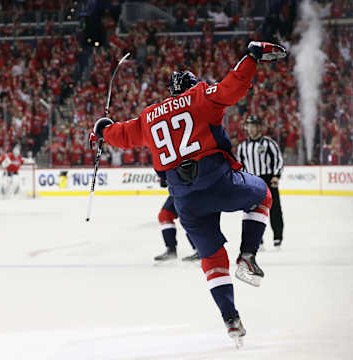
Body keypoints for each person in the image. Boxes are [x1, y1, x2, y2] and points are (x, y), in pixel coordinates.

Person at [90, 41, 287, 344]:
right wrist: (251, 57)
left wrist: (102, 129)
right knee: (262, 195)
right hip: (218, 181)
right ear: (193, 85)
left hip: (186, 201)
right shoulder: (199, 96)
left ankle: (231, 320)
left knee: (212, 259)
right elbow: (231, 88)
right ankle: (248, 256)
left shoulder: (150, 115)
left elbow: (123, 135)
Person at [236, 115, 285, 249]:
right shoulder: (242, 146)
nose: (251, 129)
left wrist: (276, 176)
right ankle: (258, 240)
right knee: (252, 210)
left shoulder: (269, 143)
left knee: (274, 209)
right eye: (249, 126)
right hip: (252, 181)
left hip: (268, 179)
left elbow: (278, 160)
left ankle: (277, 237)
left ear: (259, 127)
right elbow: (239, 165)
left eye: (254, 126)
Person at [155, 191, 200, 263]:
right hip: (177, 189)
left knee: (188, 217)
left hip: (192, 189)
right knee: (165, 215)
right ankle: (171, 250)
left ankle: (201, 250)